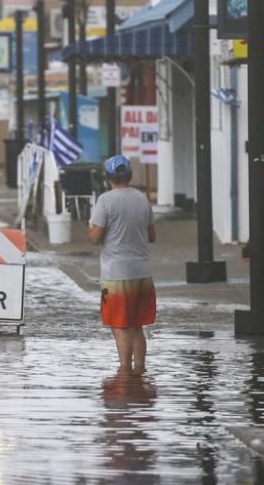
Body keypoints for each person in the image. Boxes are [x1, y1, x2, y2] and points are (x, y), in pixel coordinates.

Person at [88, 155, 156, 374]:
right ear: (130, 175)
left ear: (108, 177)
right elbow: (152, 235)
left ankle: (125, 373)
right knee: (137, 326)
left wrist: (90, 229)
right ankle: (140, 371)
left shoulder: (105, 201)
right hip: (142, 273)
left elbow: (96, 237)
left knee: (120, 326)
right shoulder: (142, 199)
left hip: (116, 274)